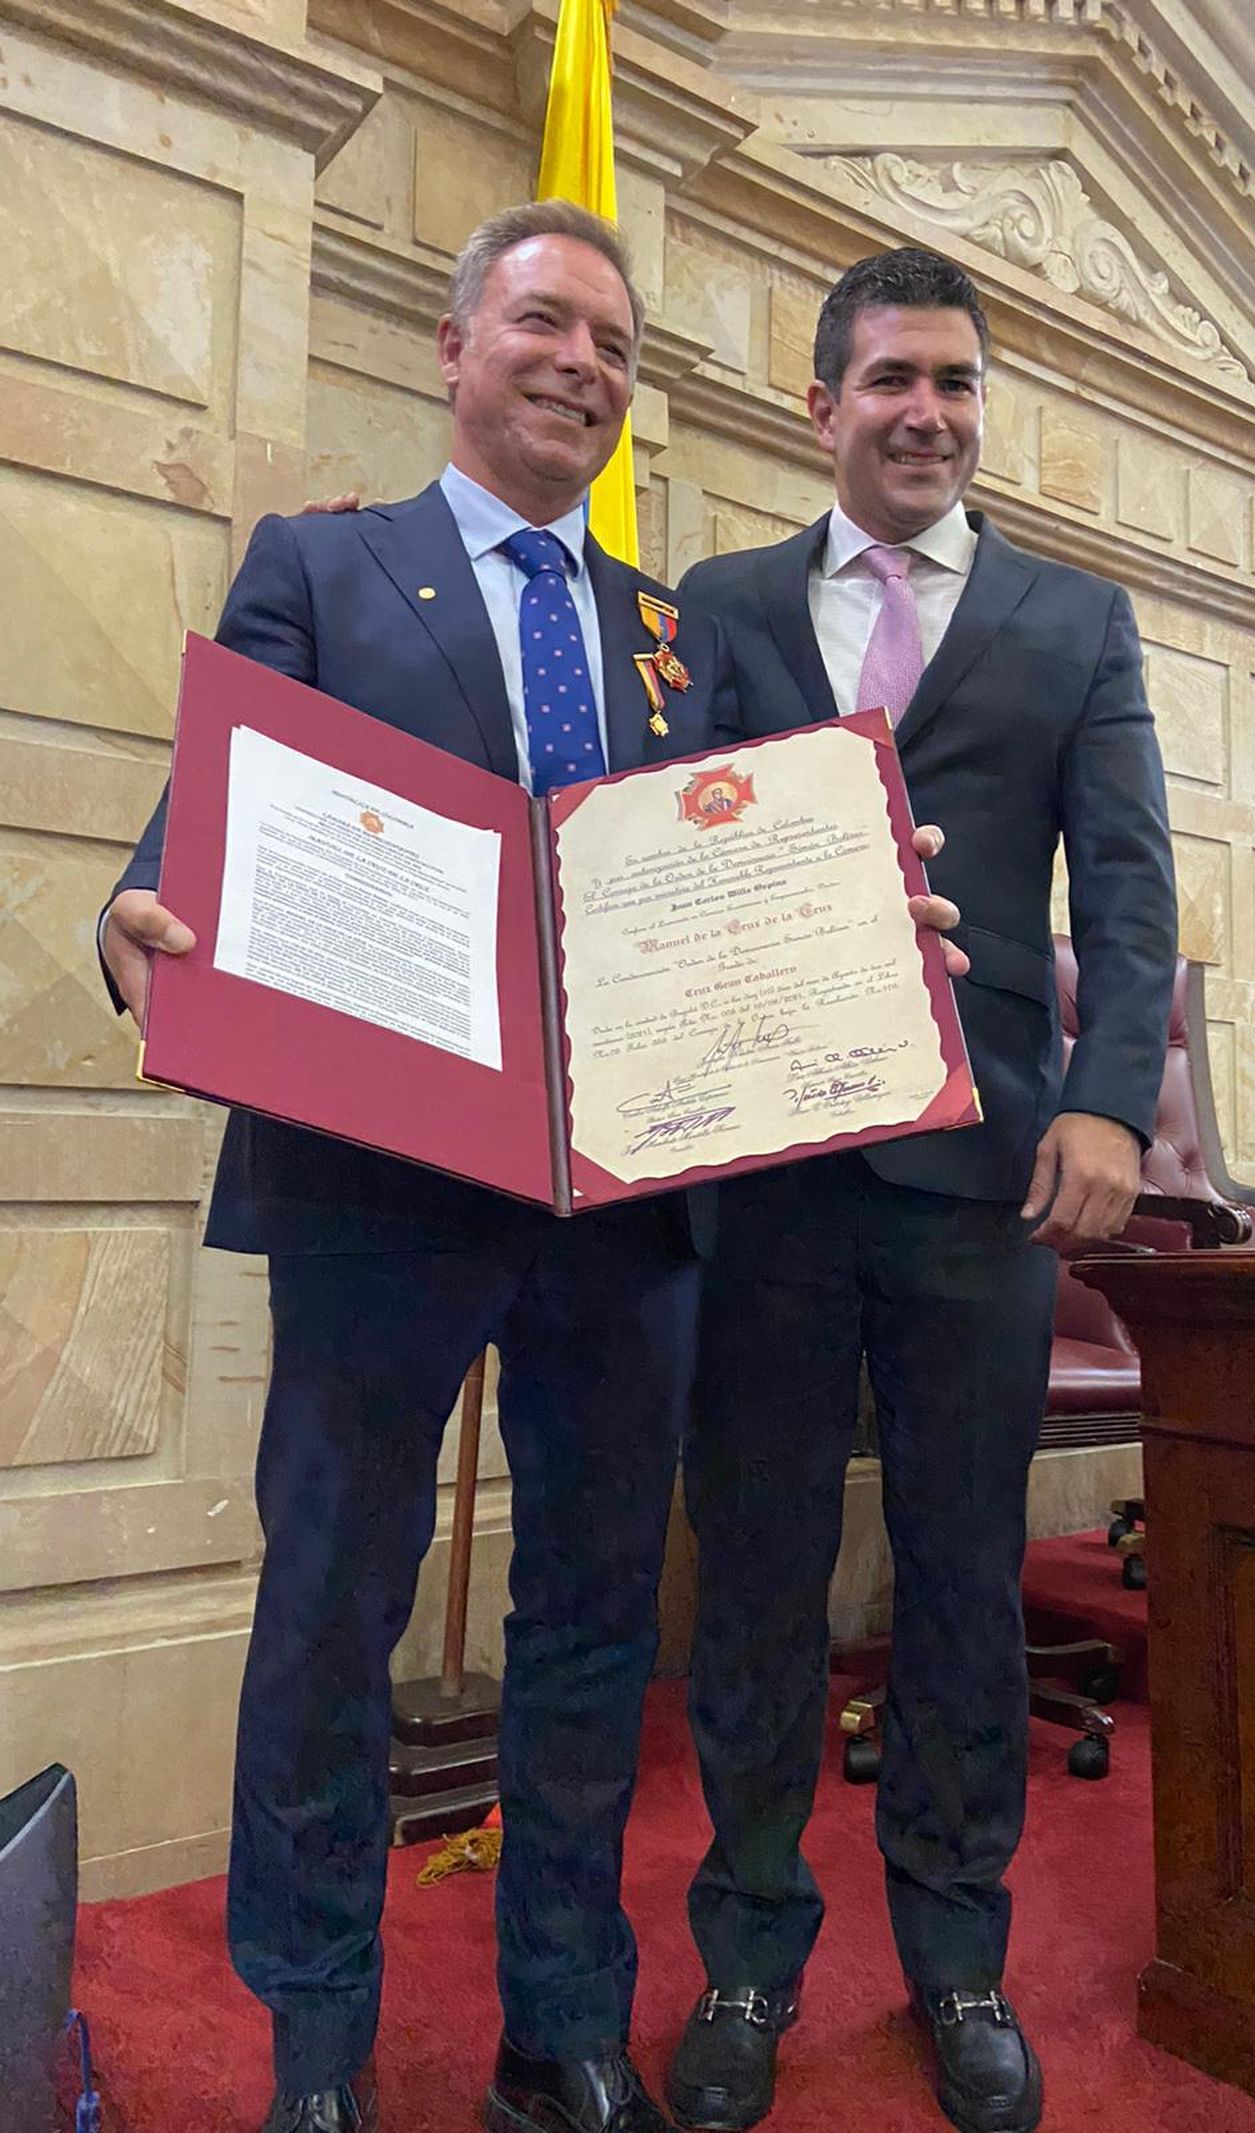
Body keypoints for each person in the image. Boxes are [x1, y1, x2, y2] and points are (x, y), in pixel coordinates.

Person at [99, 201, 955, 2133]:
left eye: (616, 346)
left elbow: (745, 866)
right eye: (547, 323)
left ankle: (559, 2025)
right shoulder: (322, 567)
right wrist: (129, 918)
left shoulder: (677, 636)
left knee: (590, 1620)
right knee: (334, 1608)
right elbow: (209, 821)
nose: (583, 364)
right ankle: (316, 2048)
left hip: (626, 1209)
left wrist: (865, 919)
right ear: (454, 344)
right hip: (373, 1189)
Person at [665, 248, 1178, 2133]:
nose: (928, 414)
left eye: (956, 383)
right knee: (758, 1574)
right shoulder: (717, 608)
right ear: (823, 404)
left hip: (982, 1177)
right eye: (893, 379)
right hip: (765, 1176)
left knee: (962, 1573)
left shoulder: (1075, 619)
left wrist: (1111, 1105)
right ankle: (748, 1952)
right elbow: (652, 862)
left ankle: (959, 1958)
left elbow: (1129, 889)